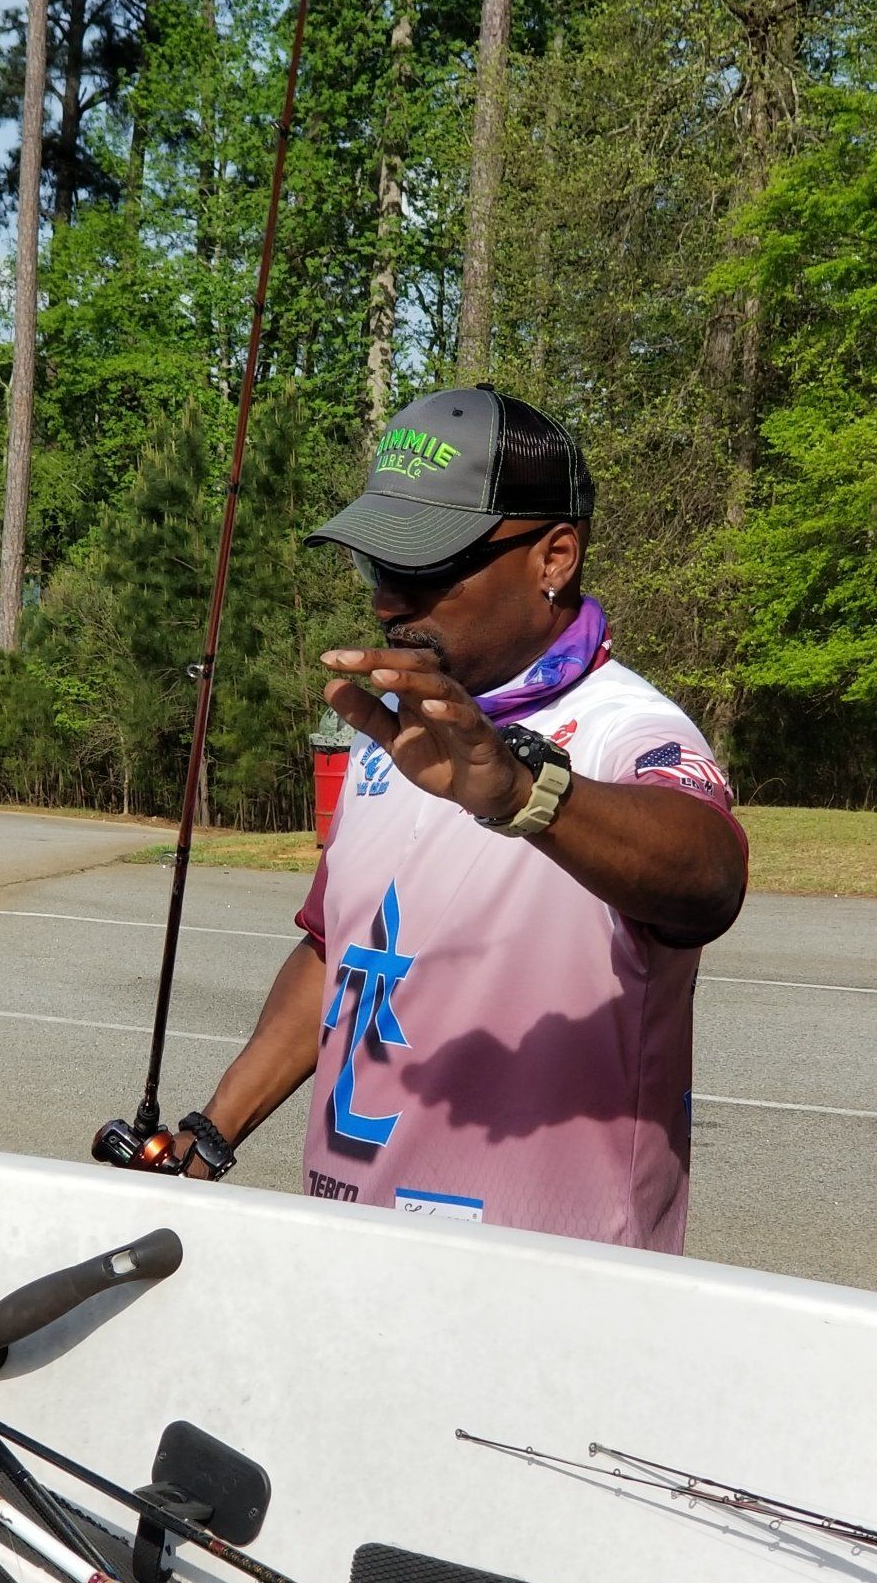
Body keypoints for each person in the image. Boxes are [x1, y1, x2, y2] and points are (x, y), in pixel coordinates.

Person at [173, 385, 747, 1250]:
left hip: (547, 1287)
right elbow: (339, 949)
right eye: (374, 566)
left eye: (421, 568)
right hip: (346, 1250)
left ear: (553, 557)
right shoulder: (397, 734)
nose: (383, 602)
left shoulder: (630, 732)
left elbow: (708, 881)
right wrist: (209, 1135)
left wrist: (526, 798)